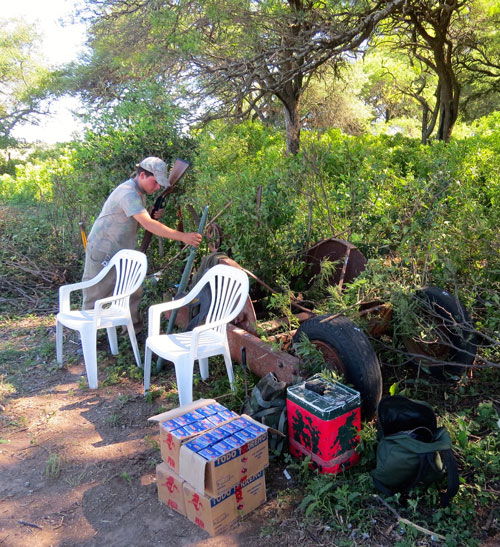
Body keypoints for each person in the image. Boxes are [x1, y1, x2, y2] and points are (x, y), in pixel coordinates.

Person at [82, 156, 202, 333]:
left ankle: (132, 330)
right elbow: (148, 225)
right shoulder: (128, 193)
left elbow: (138, 220)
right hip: (103, 249)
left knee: (132, 290)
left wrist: (151, 213)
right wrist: (183, 237)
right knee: (96, 293)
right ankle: (88, 334)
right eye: (155, 182)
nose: (158, 187)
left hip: (123, 250)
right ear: (143, 175)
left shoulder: (140, 193)